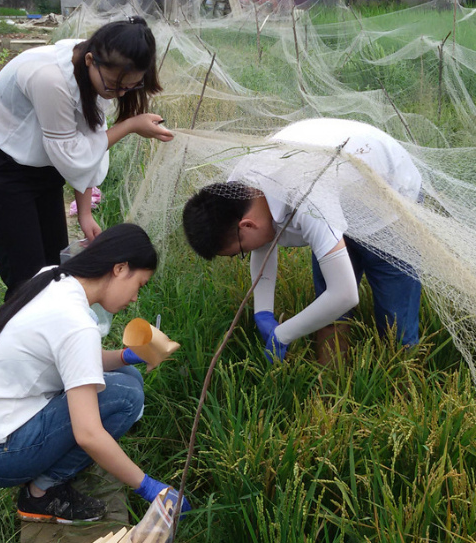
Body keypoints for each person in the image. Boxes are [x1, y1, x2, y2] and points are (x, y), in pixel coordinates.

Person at [0, 224, 190, 523]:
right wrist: (149, 487)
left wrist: (127, 356)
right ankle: (41, 494)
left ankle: (45, 467)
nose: (135, 298)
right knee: (127, 398)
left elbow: (76, 360)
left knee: (130, 377)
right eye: (139, 285)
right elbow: (88, 434)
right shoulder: (76, 322)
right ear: (120, 269)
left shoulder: (55, 276)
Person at [0, 17, 173, 299]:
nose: (119, 93)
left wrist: (84, 212)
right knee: (27, 277)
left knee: (54, 267)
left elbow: (87, 138)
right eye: (114, 85)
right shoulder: (50, 79)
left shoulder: (96, 71)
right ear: (90, 60)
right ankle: (14, 337)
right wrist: (131, 125)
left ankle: (50, 334)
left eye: (130, 86)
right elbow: (74, 155)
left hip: (43, 164)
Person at [181, 118, 422, 363]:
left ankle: (403, 382)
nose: (246, 254)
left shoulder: (309, 199)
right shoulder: (238, 189)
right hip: (337, 185)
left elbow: (344, 295)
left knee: (396, 322)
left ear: (247, 225)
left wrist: (283, 334)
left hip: (388, 194)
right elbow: (260, 242)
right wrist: (263, 311)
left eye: (239, 252)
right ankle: (331, 390)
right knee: (329, 316)